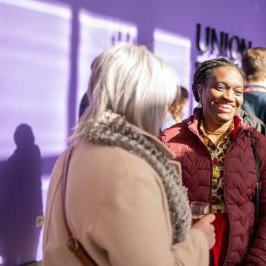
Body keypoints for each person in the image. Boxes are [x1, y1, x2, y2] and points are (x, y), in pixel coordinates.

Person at [43, 44, 215, 266]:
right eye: (163, 101)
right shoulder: (129, 171)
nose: (165, 110)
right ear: (145, 102)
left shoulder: (74, 151)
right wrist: (199, 240)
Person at [161, 58, 266, 266]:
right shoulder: (171, 140)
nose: (230, 97)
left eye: (238, 92)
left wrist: (258, 261)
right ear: (201, 90)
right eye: (221, 87)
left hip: (240, 251)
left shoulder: (258, 145)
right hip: (188, 249)